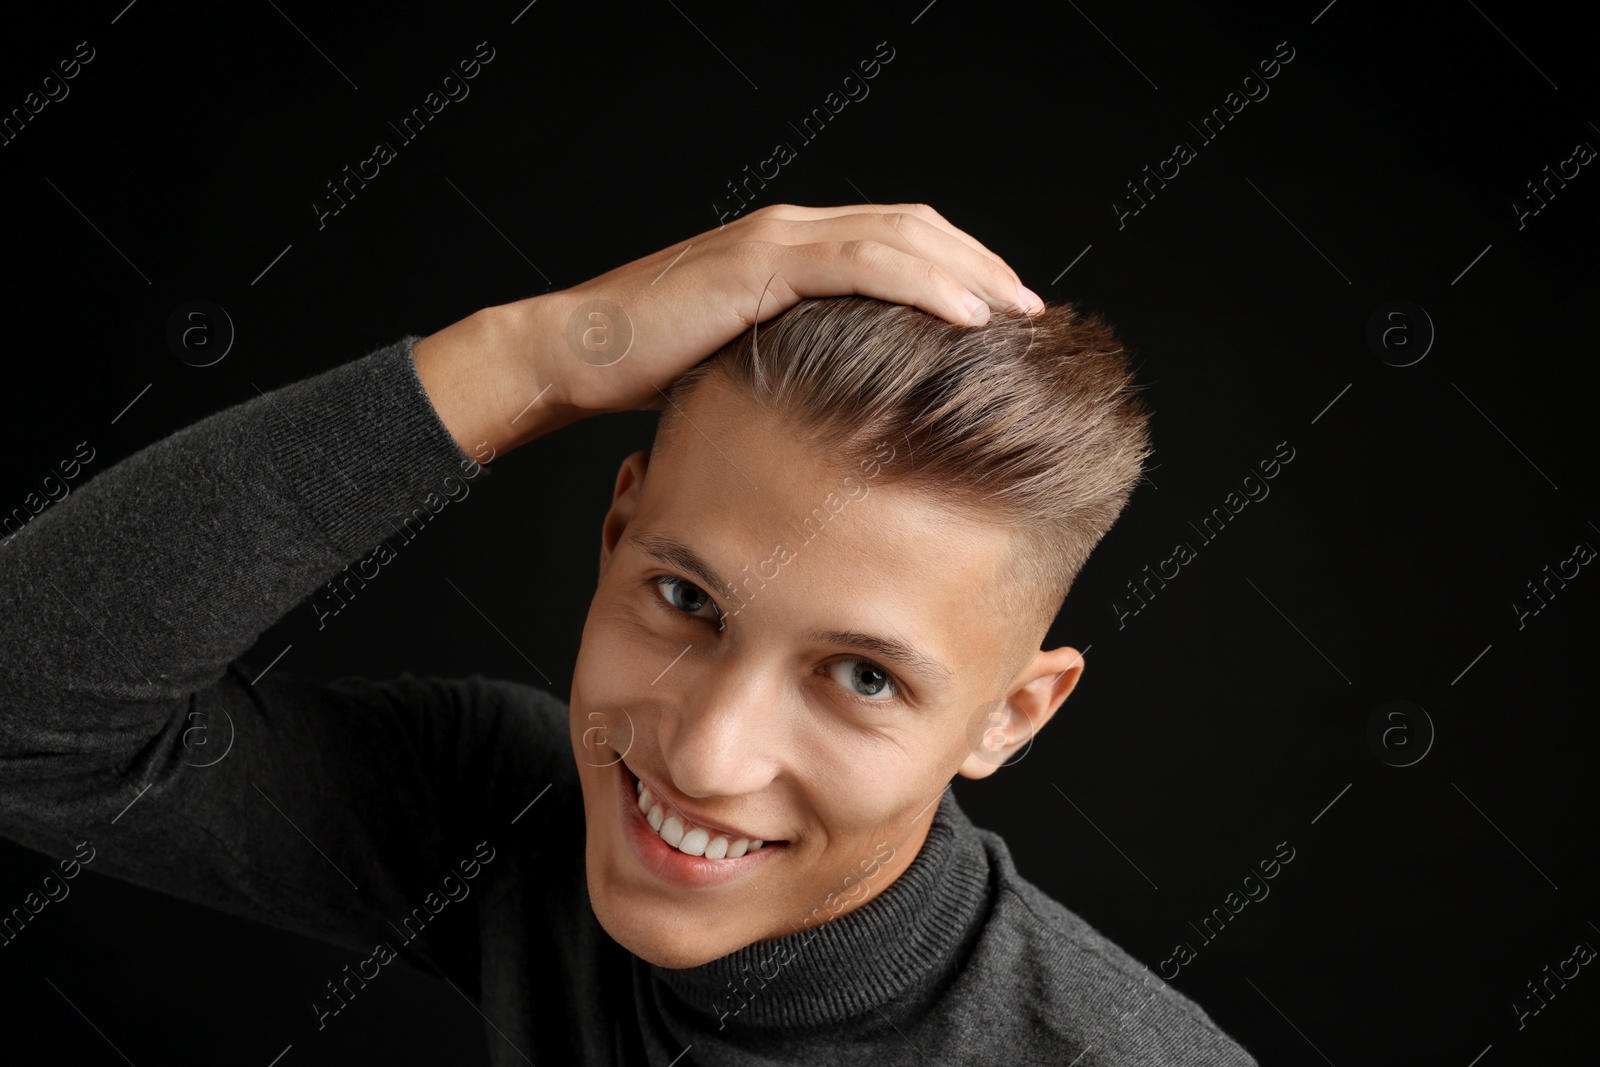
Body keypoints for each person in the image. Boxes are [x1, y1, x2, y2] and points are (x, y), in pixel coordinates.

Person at [0, 203, 1257, 1064]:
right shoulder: (504, 821)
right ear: (615, 541)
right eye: (687, 602)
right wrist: (538, 353)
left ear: (1011, 712)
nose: (705, 756)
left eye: (862, 675)